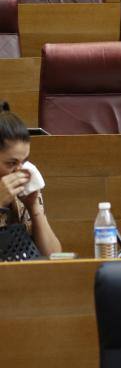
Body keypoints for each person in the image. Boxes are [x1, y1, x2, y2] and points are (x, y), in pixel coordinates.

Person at [0, 109, 61, 257]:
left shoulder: (21, 194)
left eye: (24, 161)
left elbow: (53, 257)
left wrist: (35, 210)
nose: (19, 171)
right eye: (11, 163)